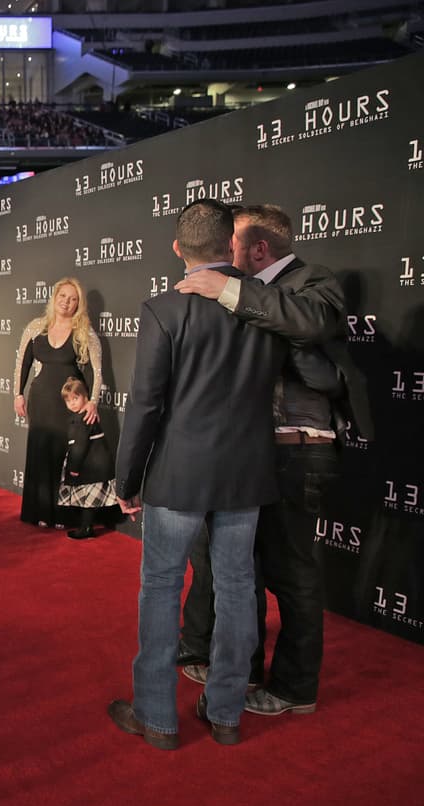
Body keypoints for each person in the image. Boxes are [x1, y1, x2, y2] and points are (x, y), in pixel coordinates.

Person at [173, 203, 372, 718]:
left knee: (293, 574)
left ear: (258, 249)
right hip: (247, 454)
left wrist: (228, 291)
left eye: (232, 243)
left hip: (297, 453)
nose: (223, 252)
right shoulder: (240, 294)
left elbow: (311, 325)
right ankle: (243, 670)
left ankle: (294, 688)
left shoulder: (313, 281)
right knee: (240, 572)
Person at [109, 199, 294, 750]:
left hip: (178, 476)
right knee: (239, 589)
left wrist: (126, 480)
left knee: (162, 589)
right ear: (230, 245)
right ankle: (227, 714)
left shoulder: (165, 309)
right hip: (245, 473)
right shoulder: (265, 304)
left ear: (177, 250)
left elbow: (144, 405)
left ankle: (158, 718)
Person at [13, 277, 103, 528]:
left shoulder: (83, 332)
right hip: (39, 400)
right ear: (54, 298)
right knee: (39, 453)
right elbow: (23, 363)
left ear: (78, 305)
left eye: (73, 299)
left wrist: (92, 401)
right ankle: (39, 512)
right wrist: (17, 394)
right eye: (63, 296)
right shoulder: (35, 327)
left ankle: (62, 515)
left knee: (63, 457)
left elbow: (95, 371)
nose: (67, 302)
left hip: (67, 405)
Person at [57, 378, 119, 540]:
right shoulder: (82, 416)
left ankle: (86, 528)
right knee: (87, 500)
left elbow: (79, 446)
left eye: (75, 398)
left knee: (88, 500)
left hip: (92, 467)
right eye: (68, 400)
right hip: (94, 466)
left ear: (85, 396)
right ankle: (86, 527)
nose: (72, 403)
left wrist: (74, 469)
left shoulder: (84, 418)